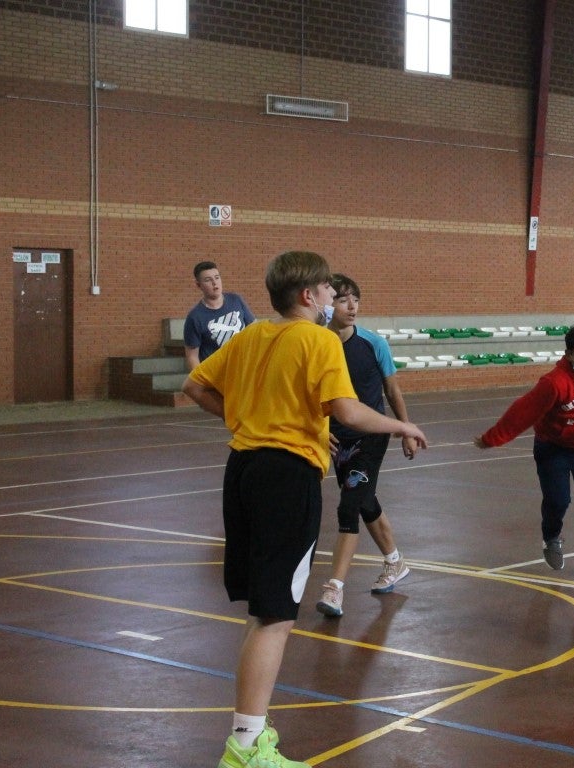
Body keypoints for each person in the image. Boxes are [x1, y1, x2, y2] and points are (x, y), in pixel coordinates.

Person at [182, 250, 428, 768]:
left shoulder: (250, 335)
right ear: (307, 296)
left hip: (243, 470)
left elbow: (195, 385)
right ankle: (245, 750)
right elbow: (347, 410)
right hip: (287, 477)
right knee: (276, 616)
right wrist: (401, 425)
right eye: (325, 291)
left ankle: (250, 734)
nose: (330, 301)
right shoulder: (317, 339)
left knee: (264, 612)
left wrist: (246, 416)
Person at [473, 323, 574, 579]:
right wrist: (492, 438)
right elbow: (522, 412)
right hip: (553, 448)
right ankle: (552, 537)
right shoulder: (554, 383)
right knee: (558, 500)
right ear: (569, 354)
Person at [316, 274, 419, 617]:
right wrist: (317, 428)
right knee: (364, 499)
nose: (352, 306)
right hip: (337, 440)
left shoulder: (374, 344)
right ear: (327, 306)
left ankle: (334, 589)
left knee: (348, 506)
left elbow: (392, 390)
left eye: (356, 300)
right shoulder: (318, 345)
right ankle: (394, 561)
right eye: (343, 300)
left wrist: (404, 429)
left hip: (371, 436)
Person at [184, 260, 256, 369]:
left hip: (244, 371)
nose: (214, 283)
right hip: (217, 377)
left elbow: (254, 329)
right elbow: (192, 357)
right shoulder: (195, 317)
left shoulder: (236, 300)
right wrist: (202, 382)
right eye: (208, 280)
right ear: (198, 285)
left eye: (217, 277)